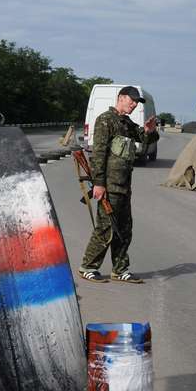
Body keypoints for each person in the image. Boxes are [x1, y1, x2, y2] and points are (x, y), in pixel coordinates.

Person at [78, 86, 158, 283]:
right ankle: (88, 266)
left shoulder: (126, 122)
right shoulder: (106, 120)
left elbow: (143, 138)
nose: (133, 105)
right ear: (121, 98)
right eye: (131, 100)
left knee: (124, 229)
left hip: (123, 185)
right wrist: (98, 183)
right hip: (109, 185)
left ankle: (120, 269)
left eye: (136, 102)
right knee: (106, 228)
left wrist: (150, 131)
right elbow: (98, 154)